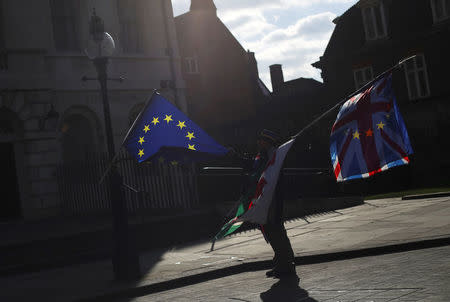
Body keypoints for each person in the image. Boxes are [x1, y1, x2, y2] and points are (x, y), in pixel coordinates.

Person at [233, 129, 296, 279]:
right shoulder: (263, 157)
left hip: (272, 201)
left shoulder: (273, 156)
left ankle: (286, 265)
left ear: (267, 142)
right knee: (271, 231)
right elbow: (251, 166)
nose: (258, 143)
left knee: (277, 232)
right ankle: (281, 263)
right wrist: (234, 156)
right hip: (265, 200)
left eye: (261, 140)